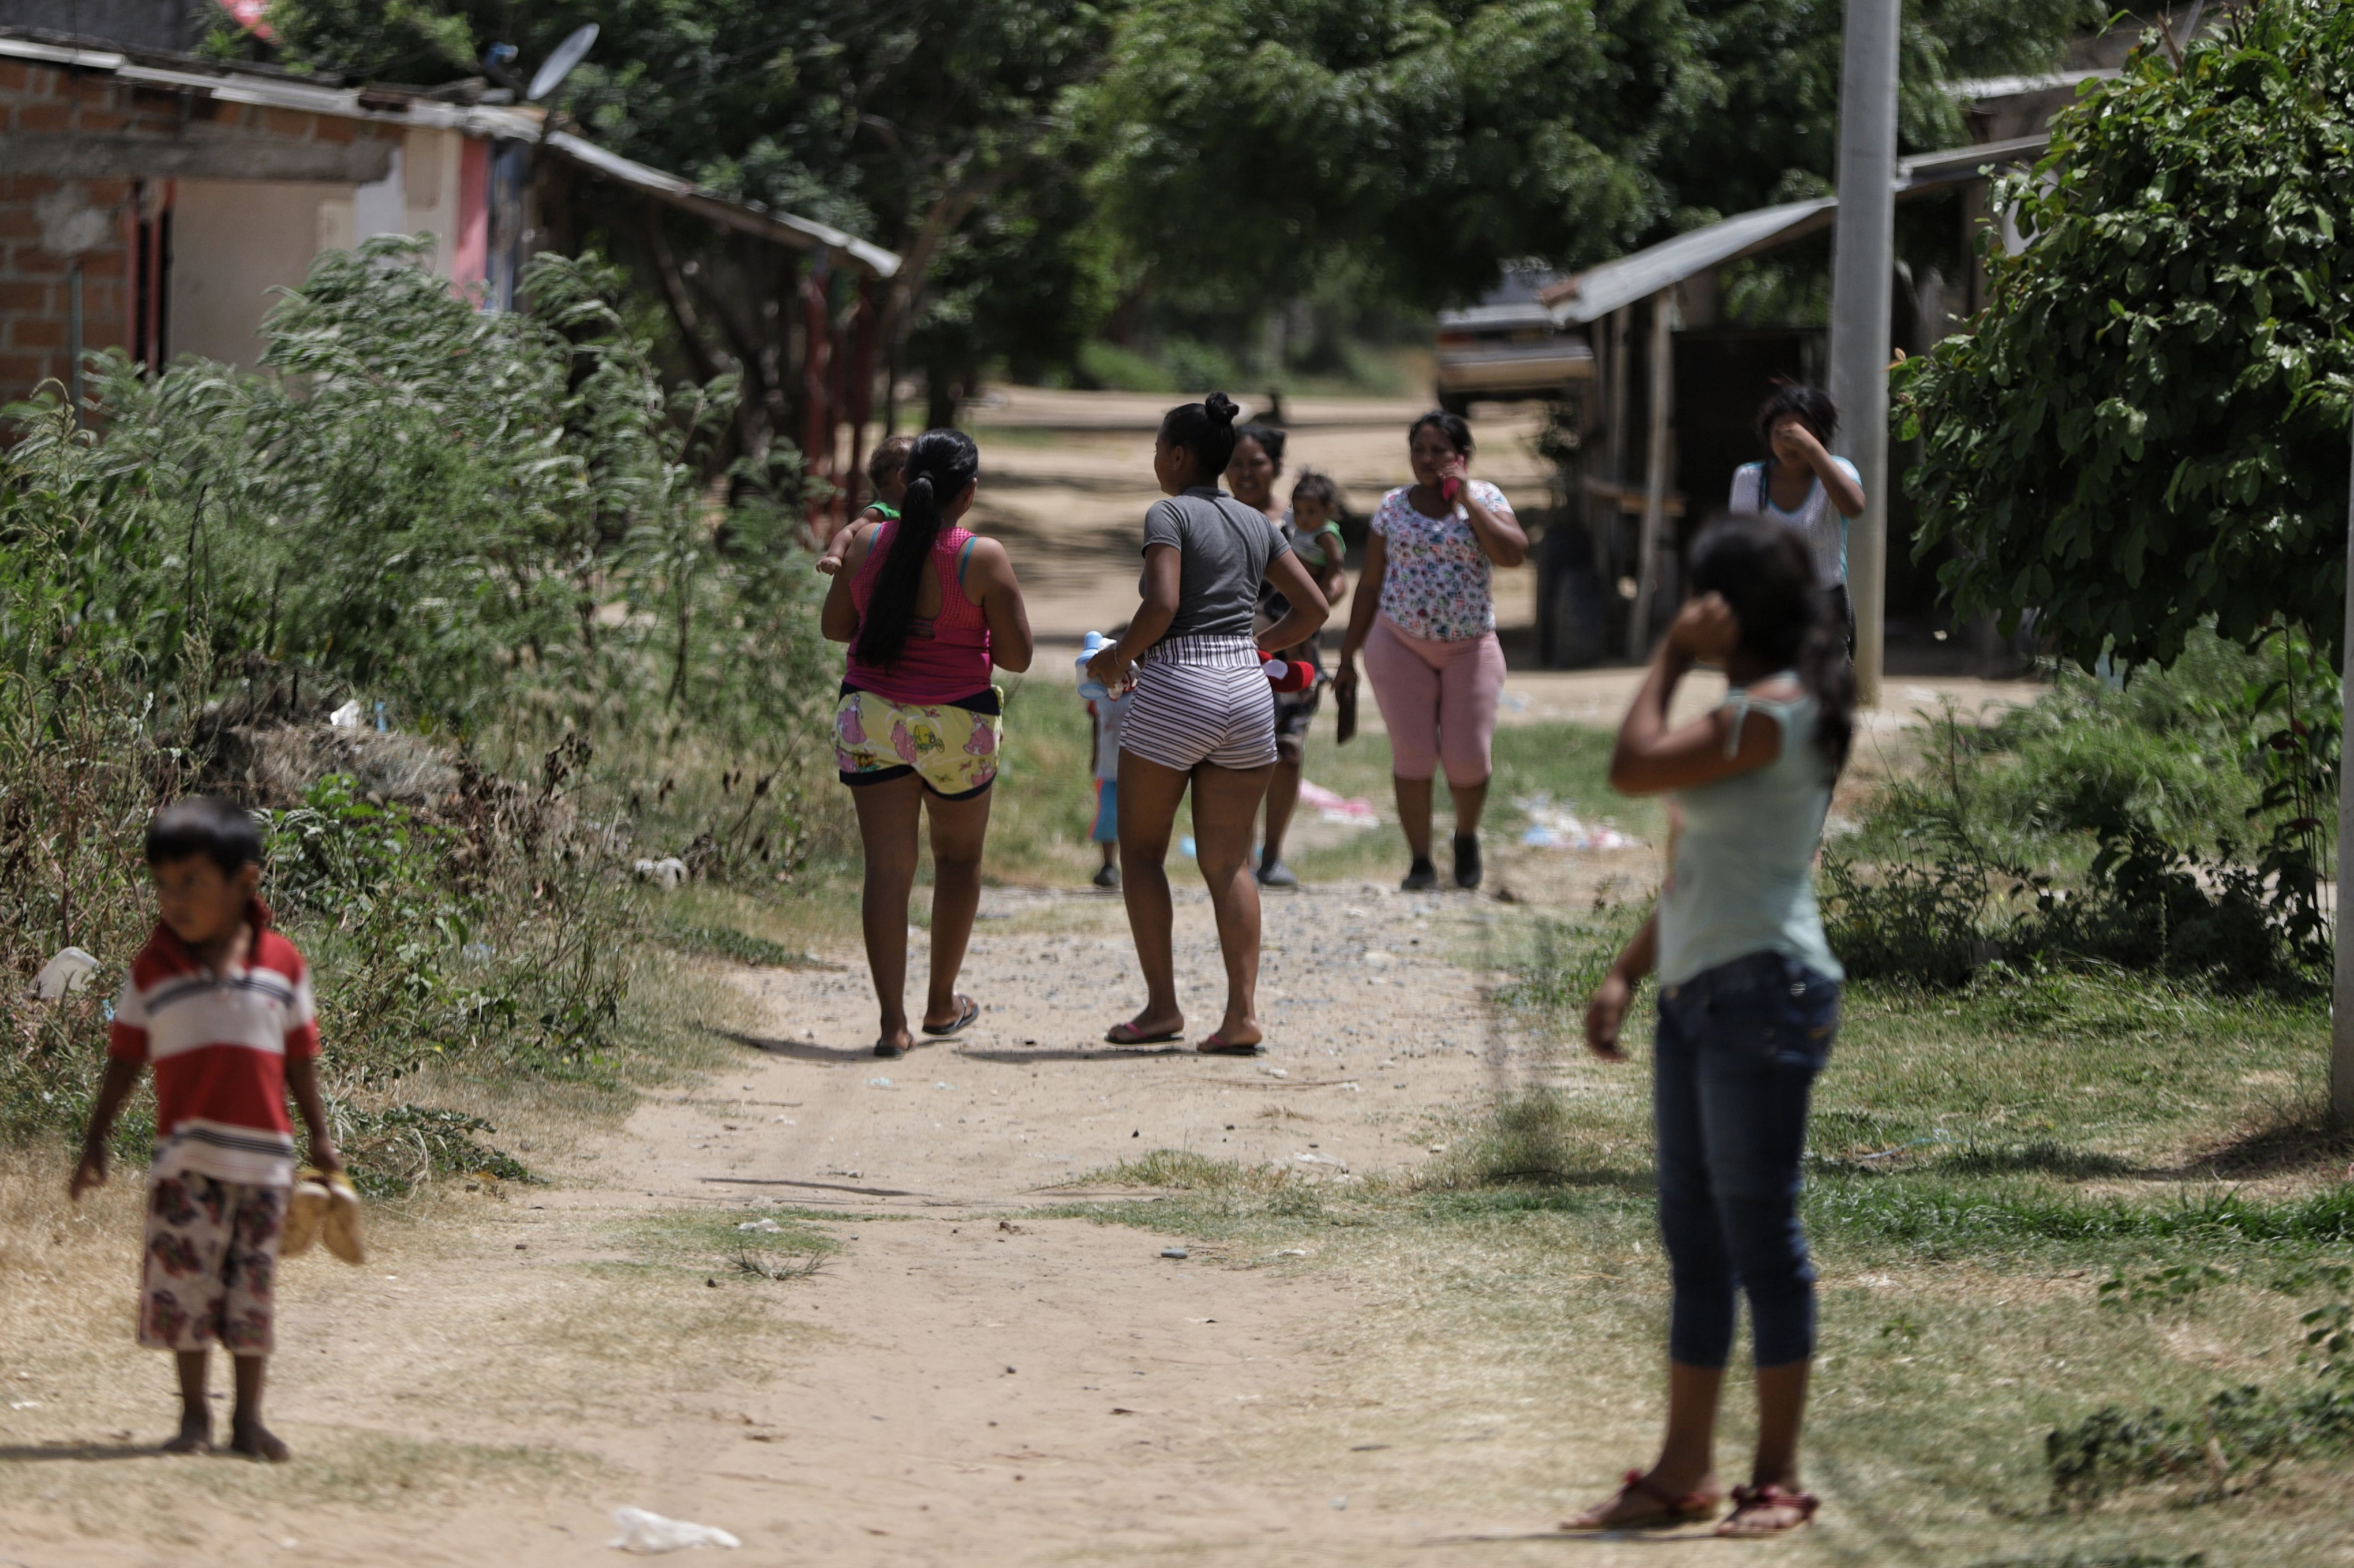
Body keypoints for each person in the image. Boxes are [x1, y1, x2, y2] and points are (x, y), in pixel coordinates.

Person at [1566, 518, 1854, 1539]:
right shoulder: (1751, 709)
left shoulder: (1771, 715)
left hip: (1763, 993)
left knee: (1760, 1236)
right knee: (1695, 1242)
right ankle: (1684, 1468)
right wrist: (1625, 970)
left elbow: (1629, 763)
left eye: (1700, 599)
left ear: (1731, 609)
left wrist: (1665, 655)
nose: (1689, 613)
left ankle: (1772, 1477)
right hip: (1699, 994)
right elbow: (1698, 873)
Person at [70, 796, 339, 1462]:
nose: (174, 899)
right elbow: (125, 1059)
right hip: (185, 1165)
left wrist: (322, 1139)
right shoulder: (151, 971)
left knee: (252, 1301)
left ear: (244, 882)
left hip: (266, 1169)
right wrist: (96, 1139)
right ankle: (194, 1418)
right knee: (184, 1295)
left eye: (192, 882)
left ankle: (248, 1420)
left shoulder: (283, 965)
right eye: (163, 883)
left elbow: (301, 1061)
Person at [1085, 393, 1330, 1053]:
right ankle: (1241, 1015)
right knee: (1230, 864)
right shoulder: (1255, 522)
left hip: (1176, 686)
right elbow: (1311, 608)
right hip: (1247, 691)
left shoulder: (1168, 512)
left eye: (1159, 447)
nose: (1155, 459)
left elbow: (1162, 603)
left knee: (1141, 852)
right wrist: (1261, 647)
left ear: (1179, 455)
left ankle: (1162, 1007)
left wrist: (1117, 658)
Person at [822, 428, 1033, 1059]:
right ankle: (941, 1002)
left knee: (887, 869)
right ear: (967, 492)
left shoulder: (865, 542)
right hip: (956, 727)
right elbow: (1019, 655)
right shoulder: (983, 556)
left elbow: (836, 627)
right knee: (959, 861)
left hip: (871, 718)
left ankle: (893, 1023)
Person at [1335, 410, 1525, 891]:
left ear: (1461, 456)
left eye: (1438, 450)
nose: (1426, 458)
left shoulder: (1486, 498)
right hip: (1398, 643)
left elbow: (1512, 553)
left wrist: (1467, 501)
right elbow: (1370, 583)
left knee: (1467, 759)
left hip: (1470, 648)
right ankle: (1419, 860)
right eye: (1418, 448)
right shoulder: (1393, 506)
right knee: (1413, 756)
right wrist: (1346, 656)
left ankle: (1465, 836)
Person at [1223, 428, 1347, 887]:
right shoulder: (1213, 518)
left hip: (1291, 655)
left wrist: (1322, 598)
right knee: (1238, 758)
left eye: (1255, 463)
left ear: (1275, 467)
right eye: (1236, 463)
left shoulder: (1299, 523)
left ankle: (1272, 855)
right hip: (1230, 657)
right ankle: (1242, 856)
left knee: (1289, 753)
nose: (1245, 472)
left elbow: (1335, 579)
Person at [1725, 385, 1865, 648]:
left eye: (1800, 435)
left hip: (1825, 607)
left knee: (1824, 685)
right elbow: (1739, 547)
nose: (1789, 444)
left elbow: (1854, 507)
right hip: (1766, 608)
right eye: (1781, 433)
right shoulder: (1749, 479)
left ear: (1820, 436)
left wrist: (1812, 450)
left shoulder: (1839, 473)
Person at [816, 433, 917, 576]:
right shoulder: (881, 512)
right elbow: (849, 531)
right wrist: (835, 556)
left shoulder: (912, 510)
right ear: (901, 475)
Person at [1085, 674, 1130, 890]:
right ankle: (1109, 866)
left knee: (1138, 820)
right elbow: (1096, 724)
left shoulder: (1141, 694)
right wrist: (1095, 756)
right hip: (1108, 769)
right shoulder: (1100, 696)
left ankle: (1136, 866)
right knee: (1108, 817)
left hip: (1138, 772)